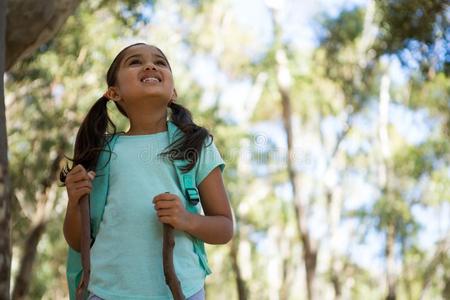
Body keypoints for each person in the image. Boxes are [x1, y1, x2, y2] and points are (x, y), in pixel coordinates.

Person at [60, 42, 234, 300]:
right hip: (106, 292)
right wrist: (74, 202)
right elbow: (77, 241)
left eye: (160, 62)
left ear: (173, 91)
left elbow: (224, 227)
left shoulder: (195, 145)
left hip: (182, 291)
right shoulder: (100, 152)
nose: (150, 65)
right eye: (135, 62)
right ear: (113, 92)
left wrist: (186, 219)